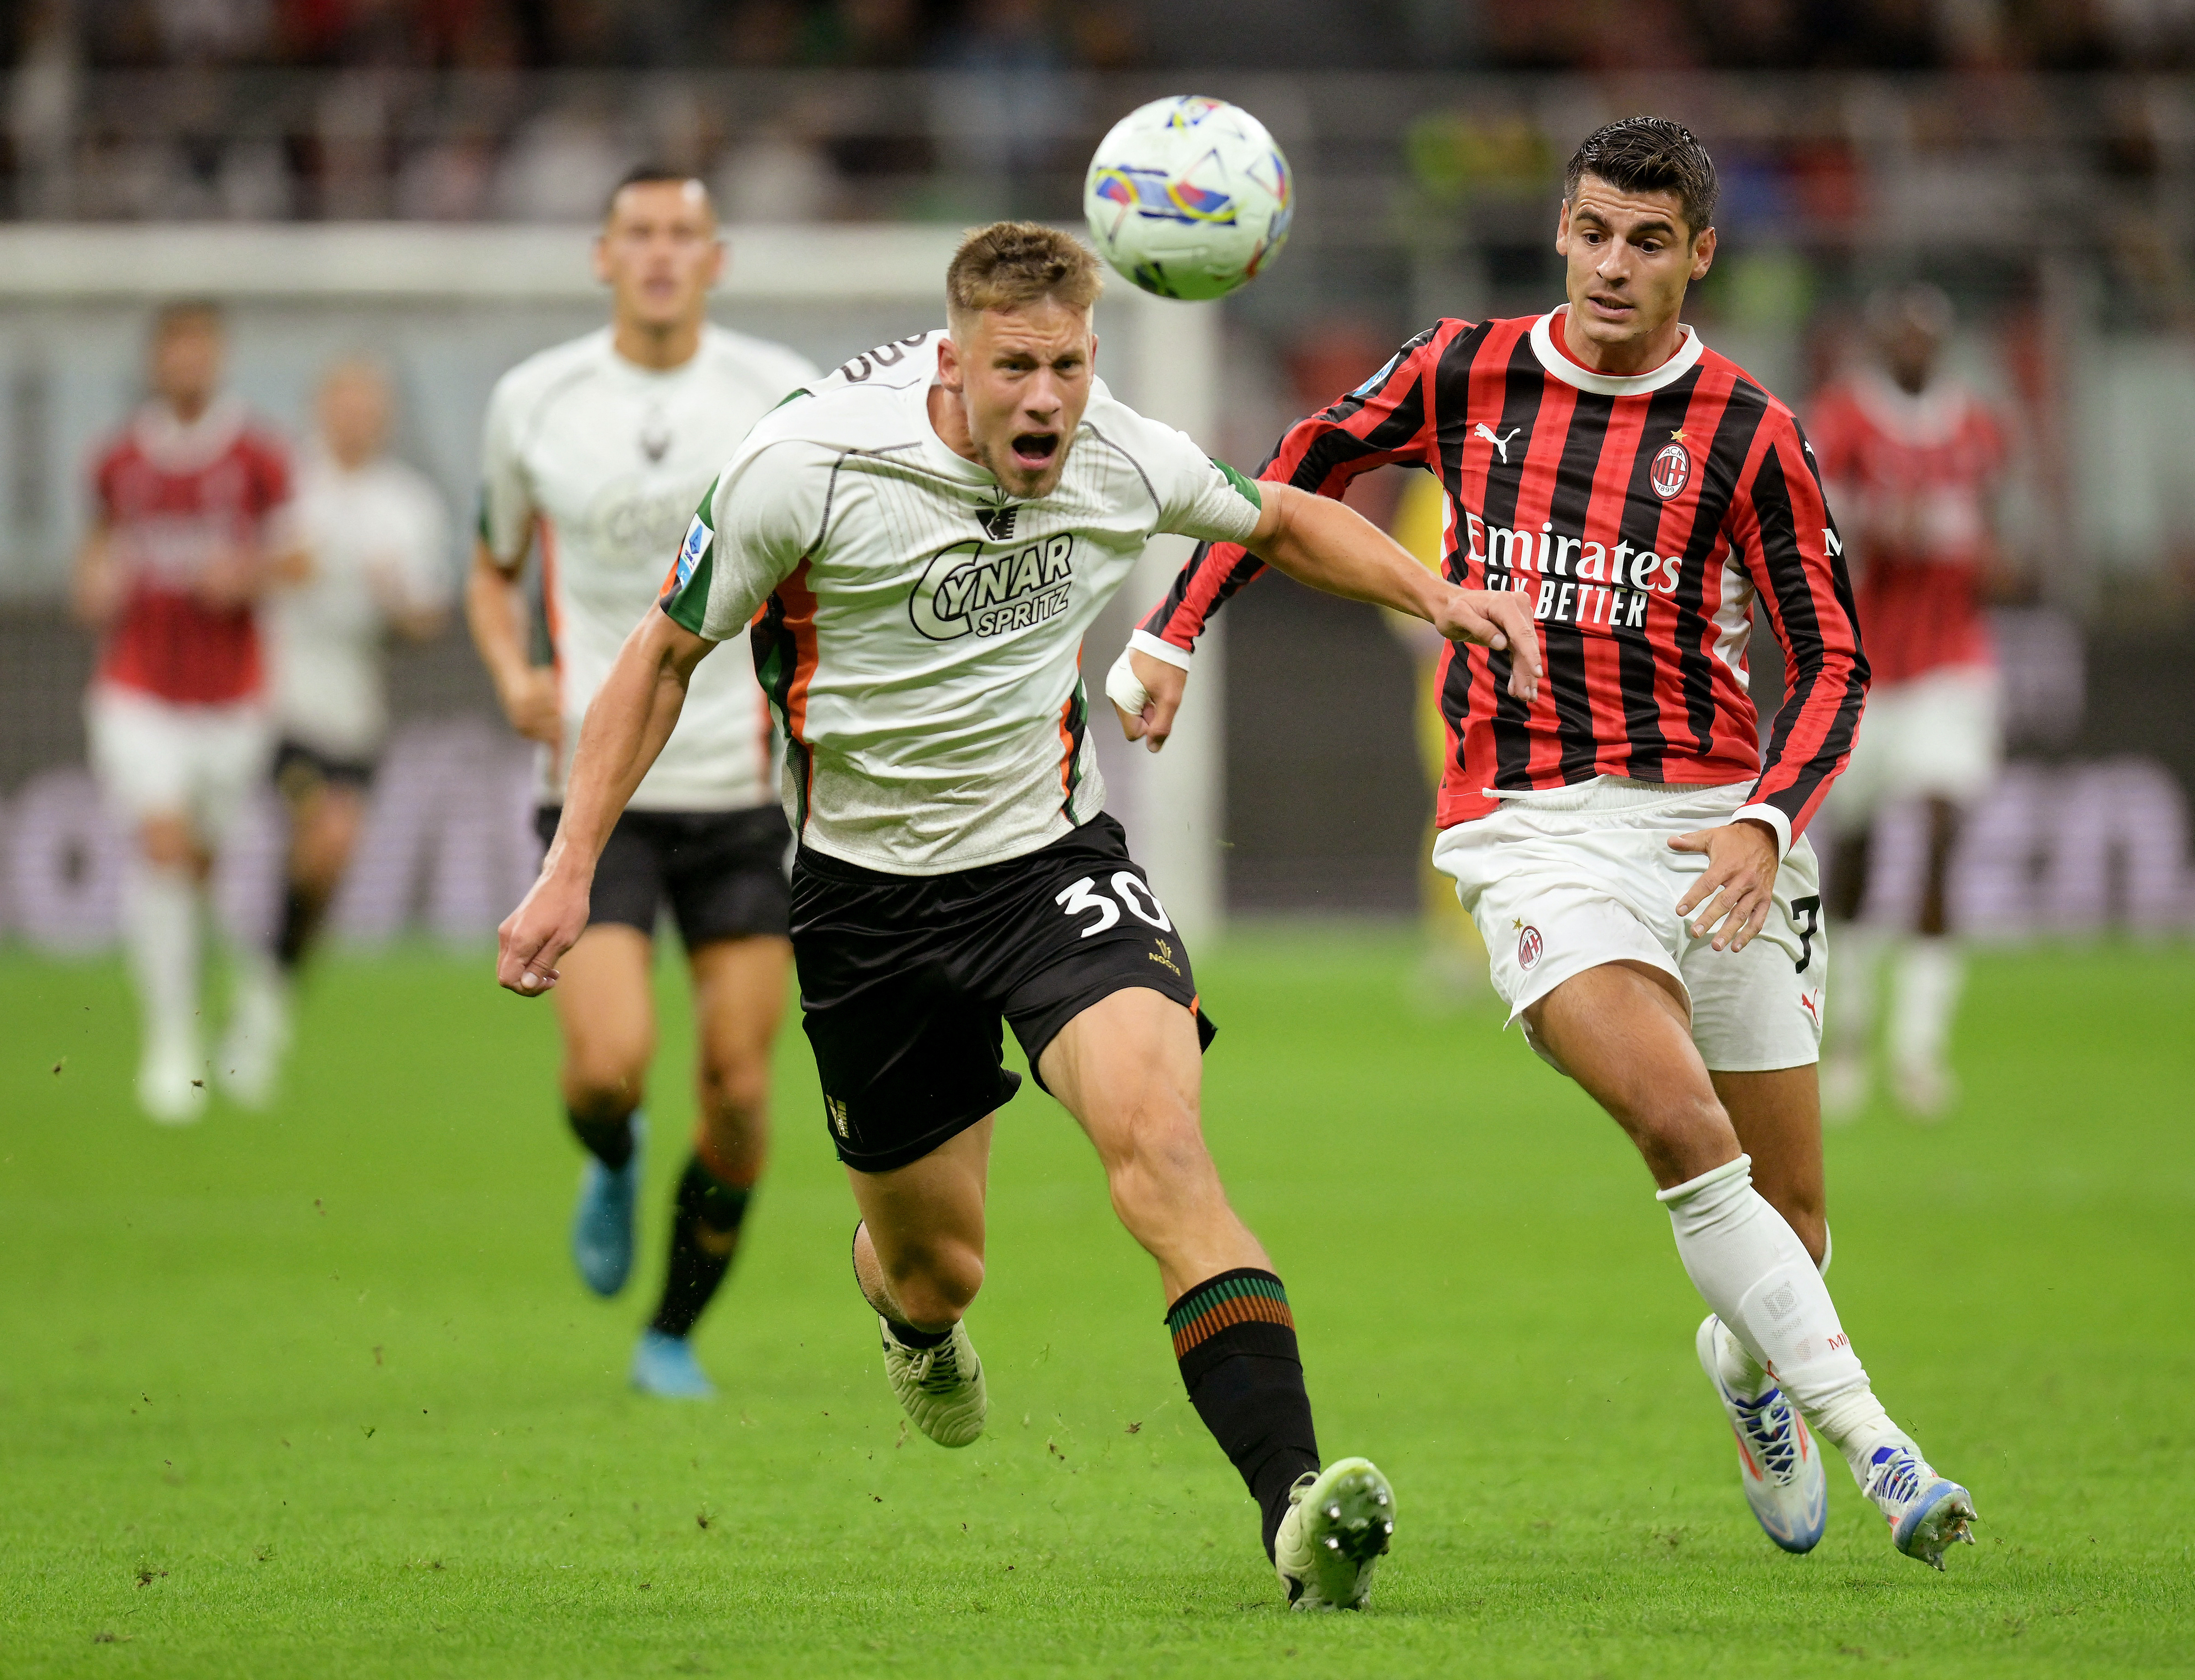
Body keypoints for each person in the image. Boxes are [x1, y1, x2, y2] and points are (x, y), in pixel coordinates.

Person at [495, 221, 1541, 1609]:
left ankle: (1295, 1505)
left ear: (1090, 356)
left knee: (1161, 1142)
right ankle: (909, 1320)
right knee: (938, 1265)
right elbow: (661, 652)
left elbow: (1279, 515)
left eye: (1063, 365)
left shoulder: (1118, 448)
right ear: (954, 358)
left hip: (1050, 867)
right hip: (865, 905)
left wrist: (1432, 590)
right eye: (1012, 369)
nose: (1042, 398)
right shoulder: (805, 468)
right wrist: (573, 863)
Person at [1108, 119, 1980, 1569]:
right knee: (1681, 1131)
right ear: (1559, 233)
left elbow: (1832, 661)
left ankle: (1749, 1369)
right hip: (1529, 830)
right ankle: (1884, 1446)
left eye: (1647, 241)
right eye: (1590, 232)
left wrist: (1769, 819)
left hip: (1712, 829)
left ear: (1700, 252)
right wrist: (1171, 625)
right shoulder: (1467, 366)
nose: (1610, 266)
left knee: (1796, 1225)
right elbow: (1291, 473)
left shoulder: (1752, 431)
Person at [467, 166, 820, 1399]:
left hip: (742, 789)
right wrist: (514, 664)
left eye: (685, 234)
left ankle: (671, 1328)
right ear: (601, 254)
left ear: (715, 258)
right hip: (597, 792)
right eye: (641, 233)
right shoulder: (535, 400)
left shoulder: (776, 392)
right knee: (610, 1062)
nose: (663, 252)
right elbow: (489, 560)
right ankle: (610, 1150)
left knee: (736, 1087)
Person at [73, 301, 305, 1126]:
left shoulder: (257, 455)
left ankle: (251, 989)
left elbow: (300, 554)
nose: (187, 365)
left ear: (219, 358)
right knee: (163, 843)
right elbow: (97, 551)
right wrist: (95, 580)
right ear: (156, 361)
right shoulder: (119, 458)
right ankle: (170, 1044)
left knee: (207, 863)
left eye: (200, 350)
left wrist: (248, 573)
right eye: (175, 351)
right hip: (137, 688)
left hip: (233, 696)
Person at [1807, 284, 2011, 1121]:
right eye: (1904, 338)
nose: (1916, 351)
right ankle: (1850, 1030)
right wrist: (1881, 530)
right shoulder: (1846, 422)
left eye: (1929, 338)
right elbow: (1817, 533)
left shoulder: (1976, 428)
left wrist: (1975, 550)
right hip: (1867, 669)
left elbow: (1996, 543)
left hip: (1952, 665)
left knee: (1942, 829)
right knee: (1853, 850)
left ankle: (1920, 1051)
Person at [250, 358, 452, 1102]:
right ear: (319, 407)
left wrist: (396, 597)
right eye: (345, 403)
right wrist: (275, 567)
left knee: (329, 859)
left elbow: (428, 617)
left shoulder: (408, 504)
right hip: (272, 701)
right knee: (323, 835)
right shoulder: (280, 482)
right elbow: (228, 570)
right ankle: (252, 992)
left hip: (353, 711)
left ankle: (271, 980)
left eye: (371, 405)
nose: (357, 418)